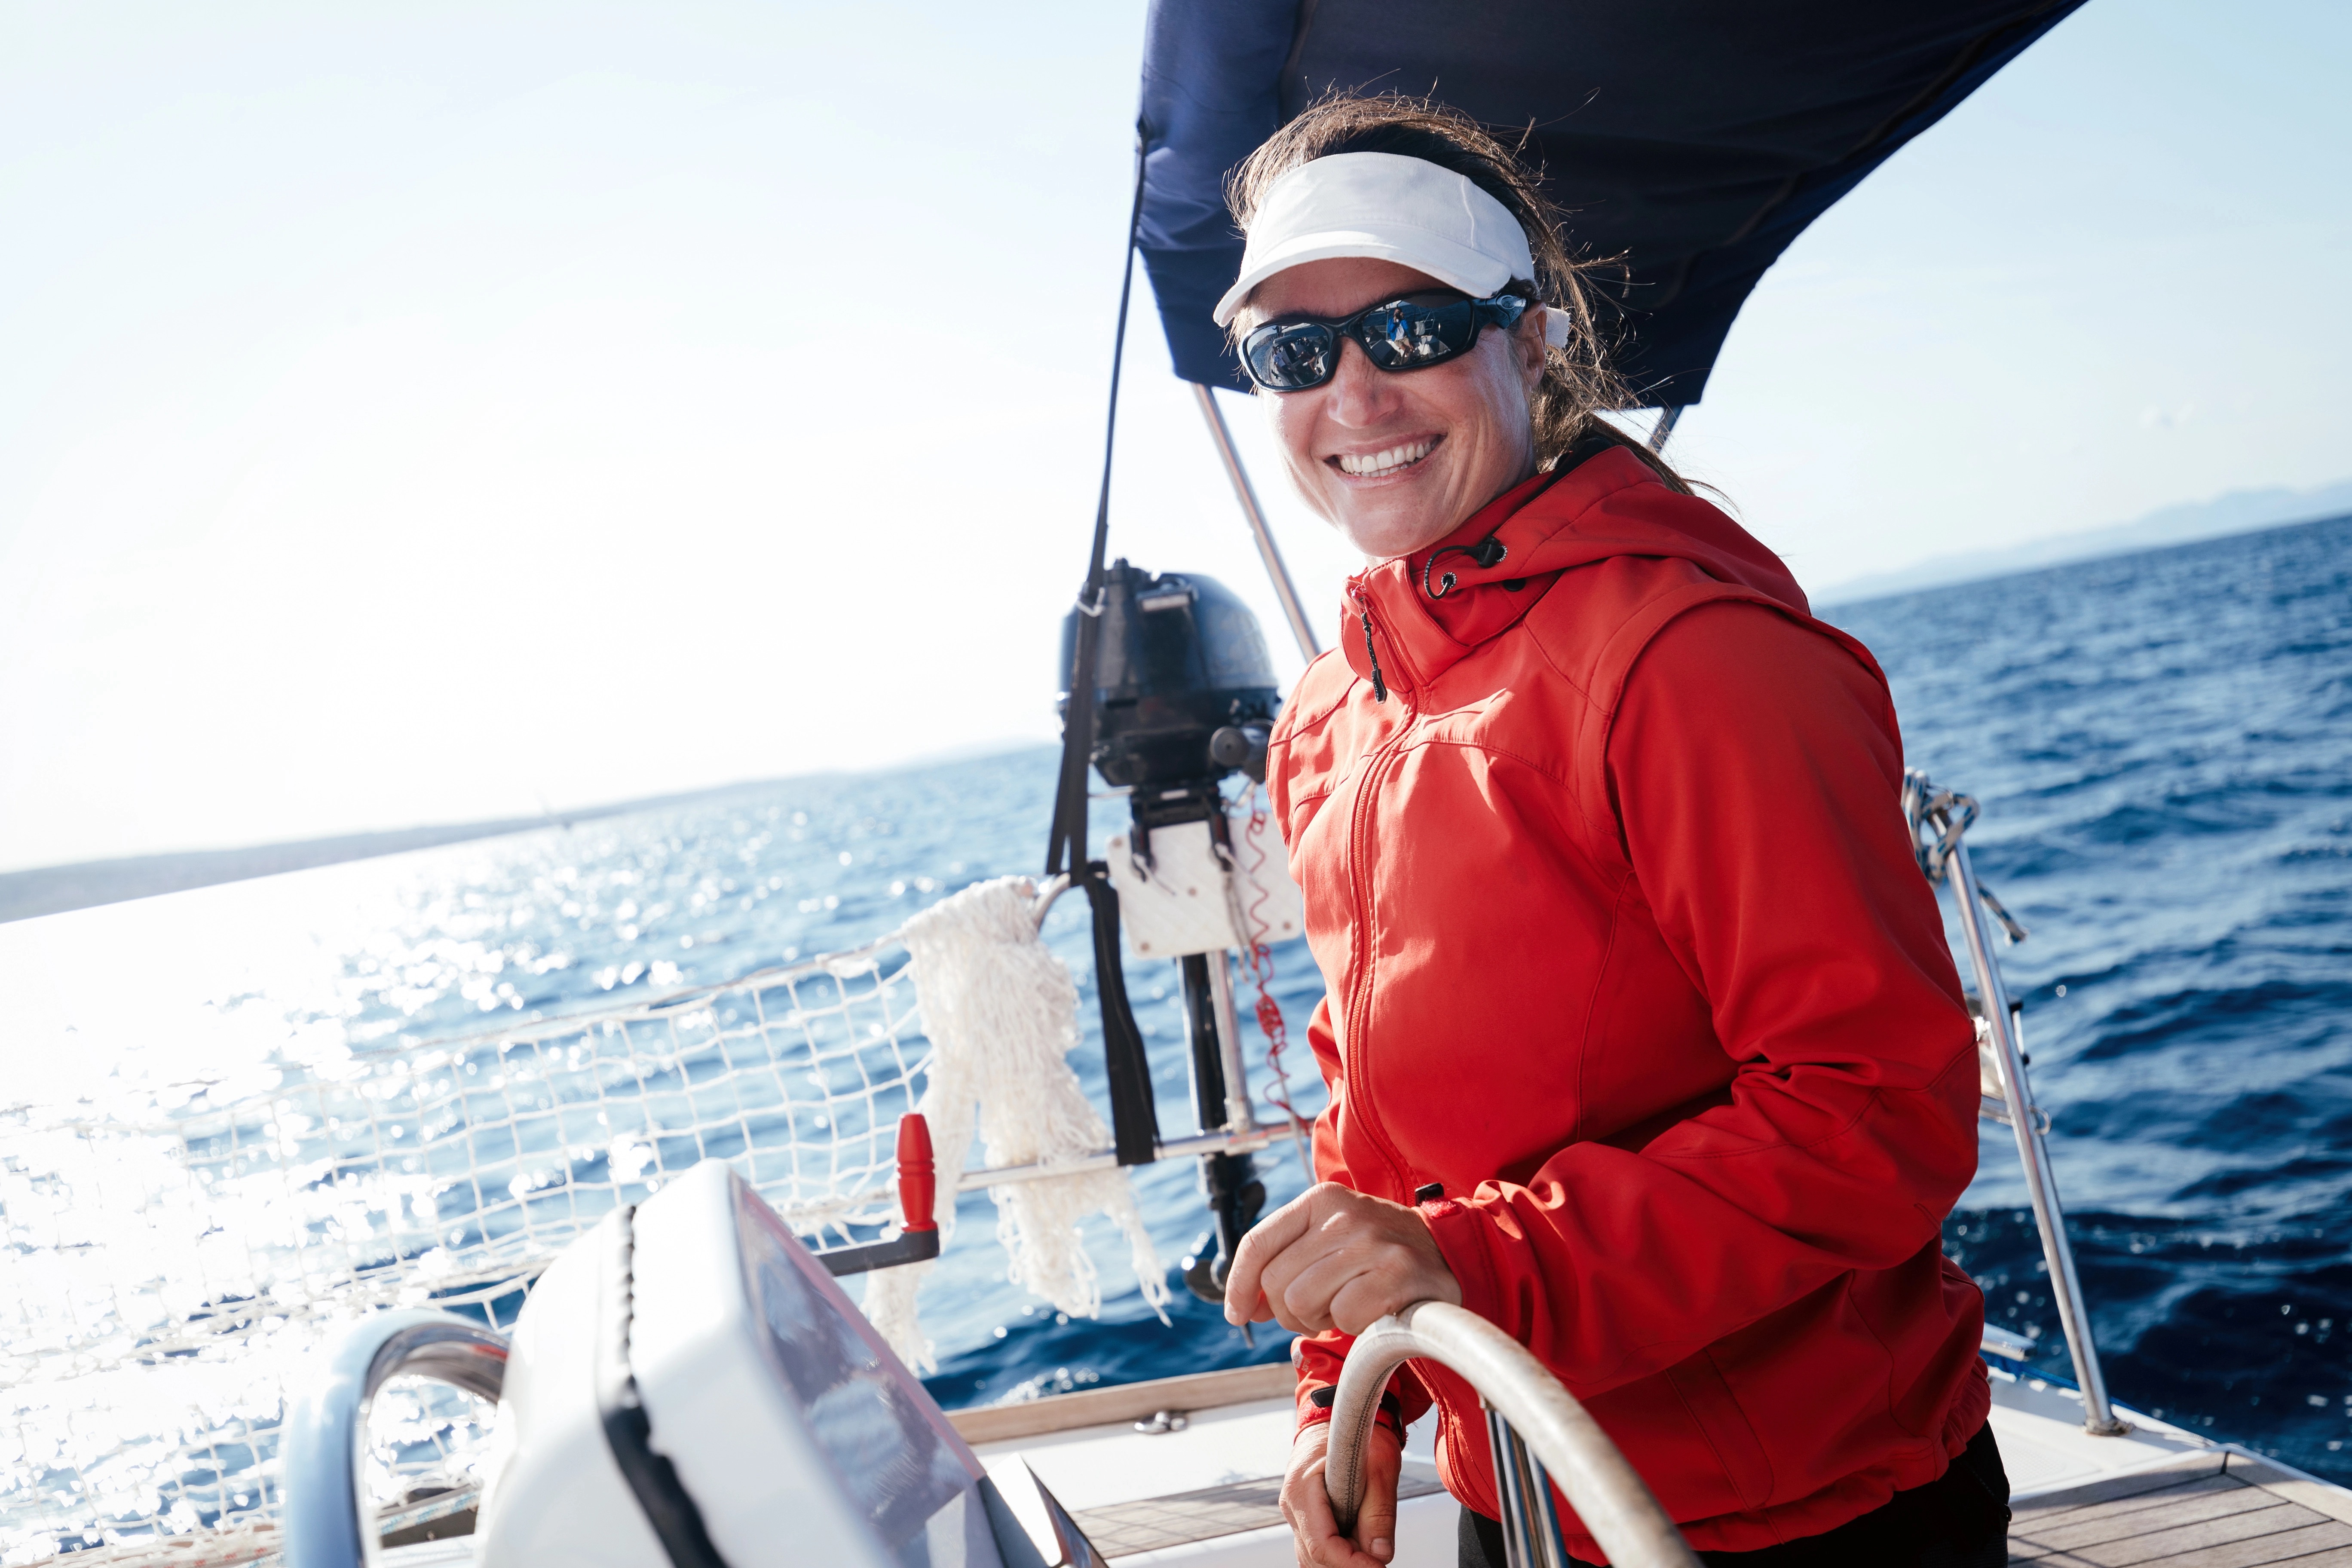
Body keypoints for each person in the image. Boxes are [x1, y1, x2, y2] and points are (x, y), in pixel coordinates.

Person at [1210, 95, 2008, 1568]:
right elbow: (1371, 1118)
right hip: (1517, 1486)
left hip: (1809, 1513)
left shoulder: (1695, 661)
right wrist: (1351, 1405)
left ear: (1532, 337)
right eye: (1295, 352)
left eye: (1411, 329)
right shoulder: (1332, 714)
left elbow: (1873, 1109)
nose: (1356, 396)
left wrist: (1472, 1267)